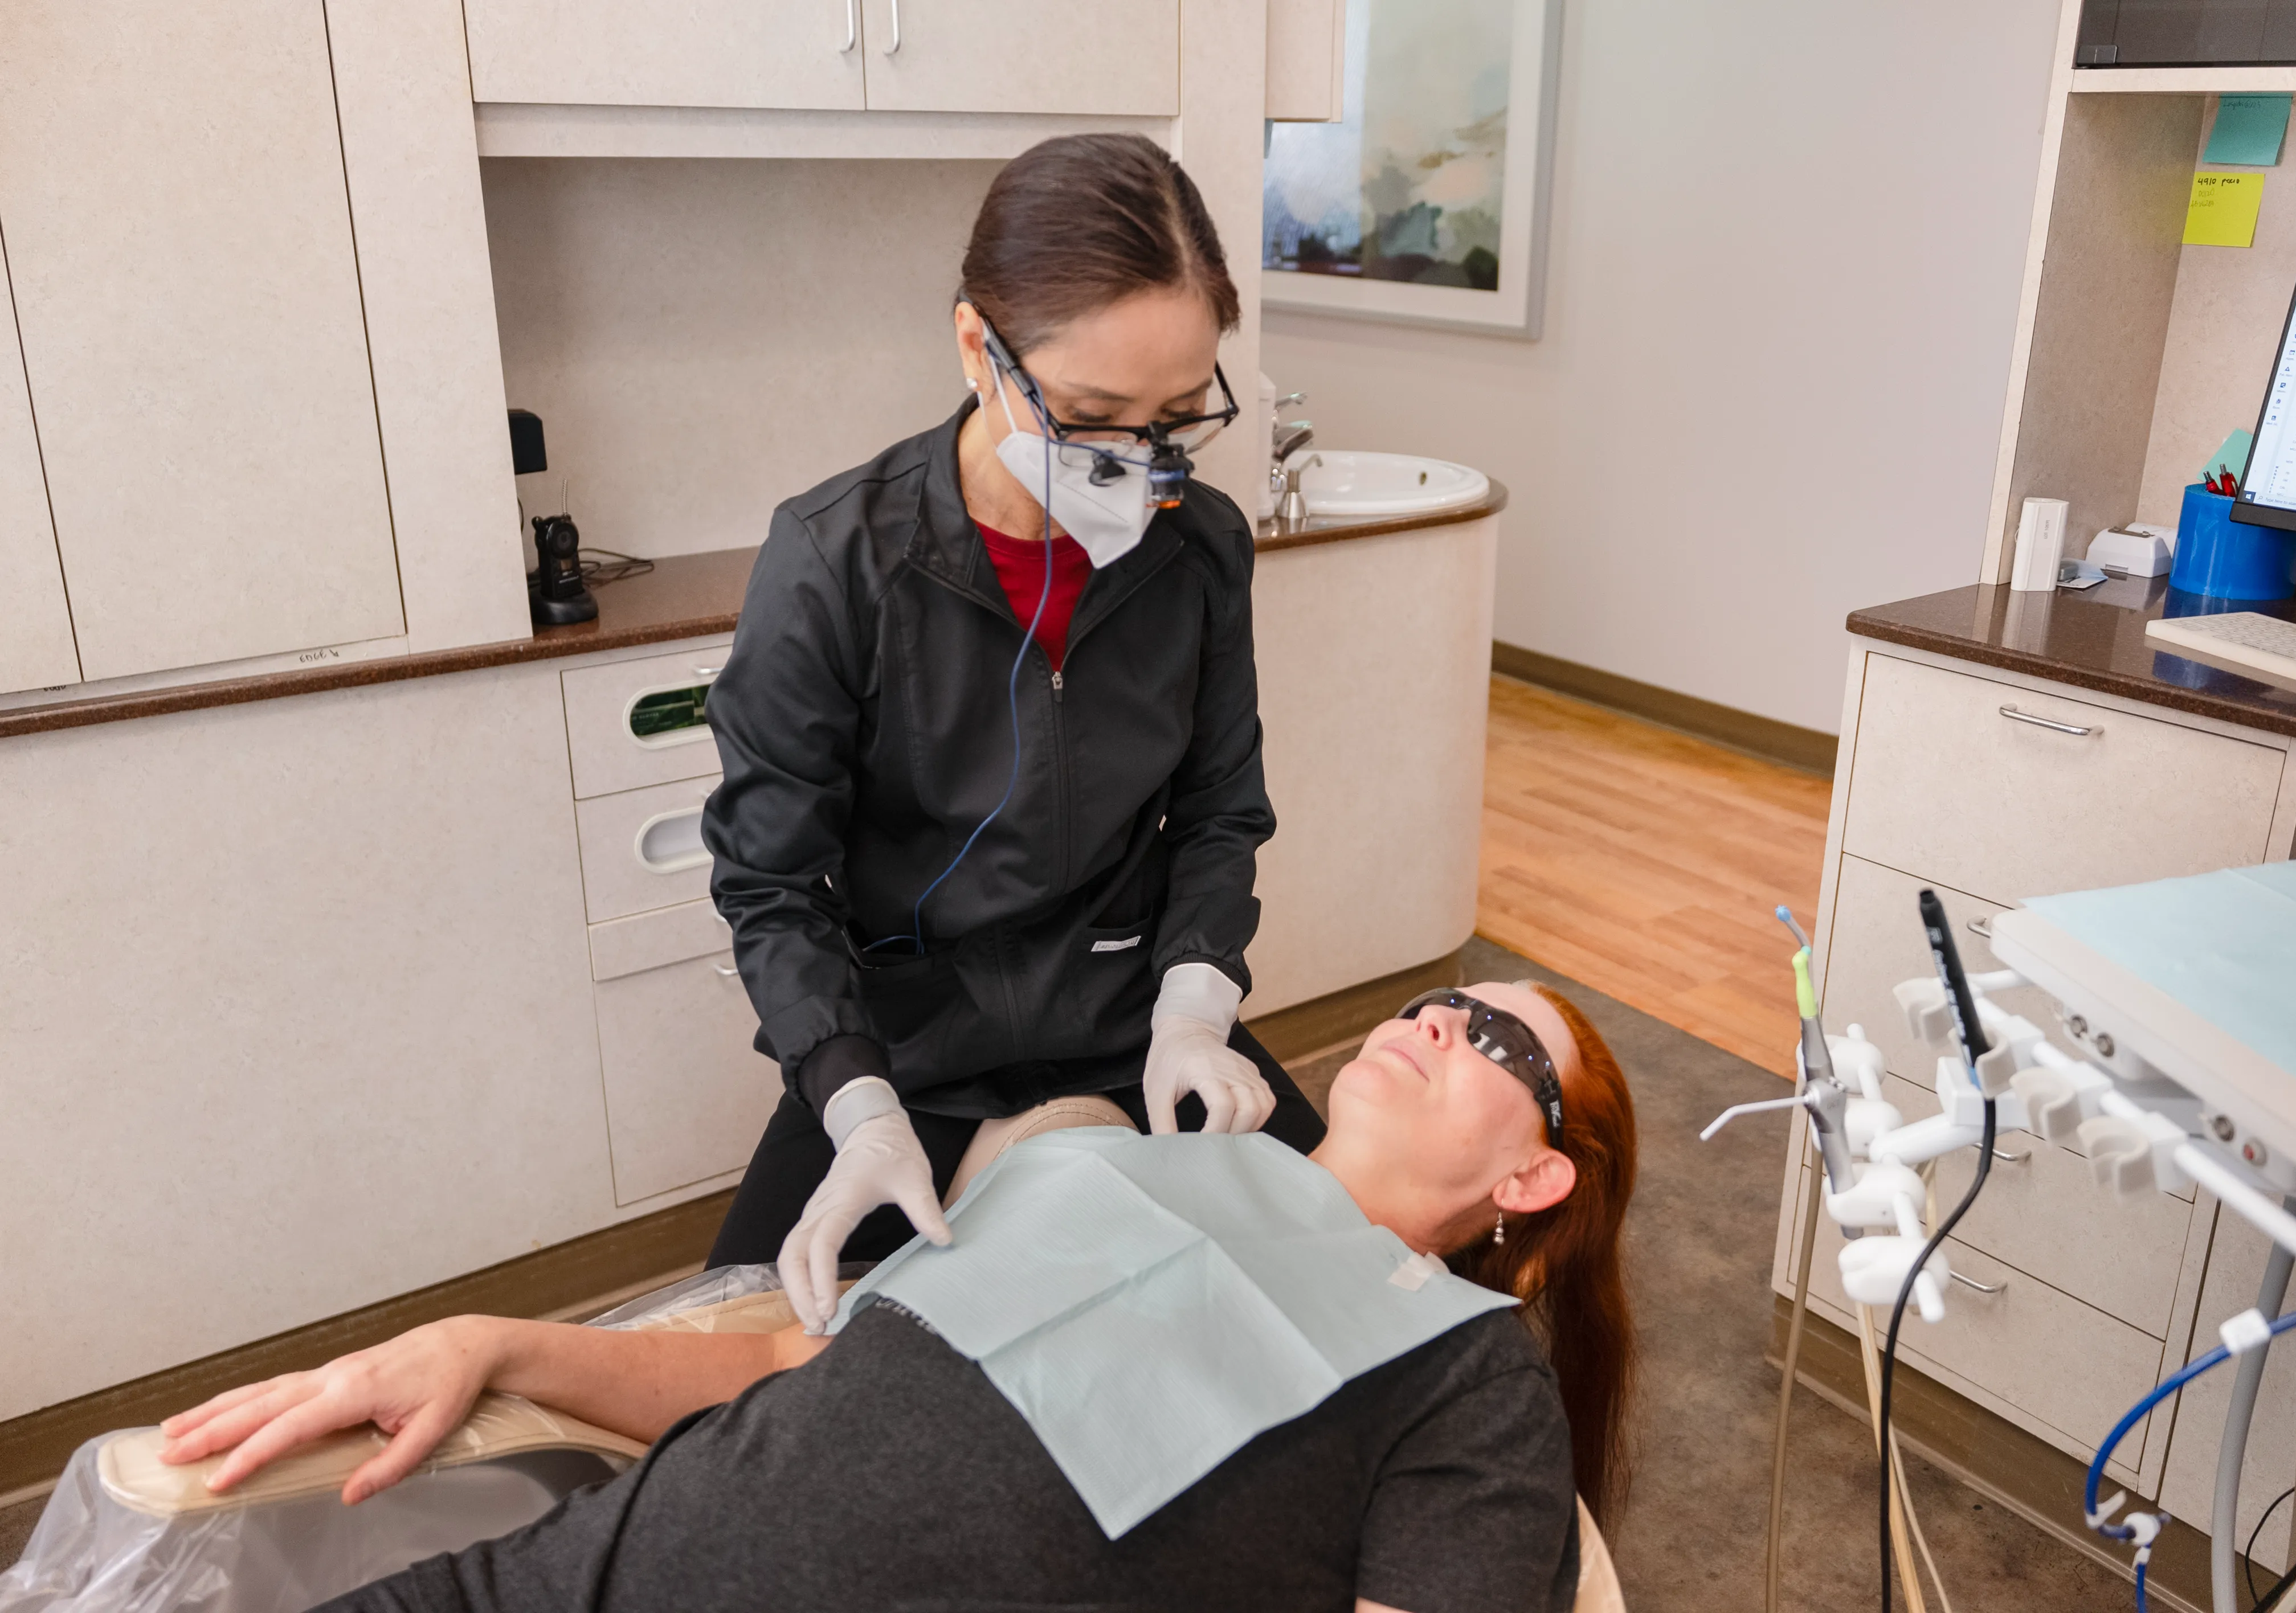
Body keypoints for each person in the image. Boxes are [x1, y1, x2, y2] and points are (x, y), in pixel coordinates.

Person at [151, 983, 1639, 1613]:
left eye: (1499, 1047)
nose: (1437, 1020)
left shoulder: (1469, 1378)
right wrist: (495, 1342)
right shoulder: (1111, 1164)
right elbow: (802, 1363)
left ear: (1535, 1183)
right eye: (1435, 1006)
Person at [700, 131, 1320, 1330]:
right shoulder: (836, 564)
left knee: (1330, 1303)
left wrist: (1194, 1012)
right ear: (979, 347)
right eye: (1092, 417)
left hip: (1128, 1026)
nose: (1137, 466)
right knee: (739, 1373)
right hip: (908, 1052)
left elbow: (1217, 813)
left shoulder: (1198, 550)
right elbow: (773, 885)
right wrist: (854, 1103)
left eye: (1175, 420)